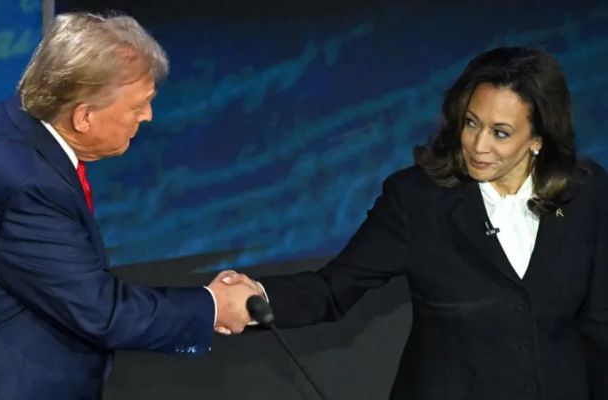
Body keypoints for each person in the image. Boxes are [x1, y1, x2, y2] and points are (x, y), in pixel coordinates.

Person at [222, 47, 608, 399]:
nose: (477, 144)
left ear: (537, 139)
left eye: (501, 133)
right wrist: (256, 296)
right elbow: (332, 289)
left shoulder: (585, 192)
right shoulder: (417, 199)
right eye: (471, 123)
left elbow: (598, 322)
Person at [0, 12, 256, 399]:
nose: (147, 116)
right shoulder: (29, 186)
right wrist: (211, 306)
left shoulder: (11, 126)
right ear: (84, 116)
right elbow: (101, 311)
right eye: (137, 106)